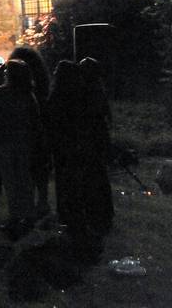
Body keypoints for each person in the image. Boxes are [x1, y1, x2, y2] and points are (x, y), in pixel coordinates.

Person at [0, 59, 42, 239]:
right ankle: (28, 213)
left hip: (5, 142)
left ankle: (15, 215)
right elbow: (35, 120)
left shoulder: (2, 93)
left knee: (10, 180)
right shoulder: (28, 94)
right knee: (24, 178)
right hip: (24, 141)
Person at [44, 60, 87, 241]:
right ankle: (74, 213)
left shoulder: (58, 95)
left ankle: (68, 214)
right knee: (73, 178)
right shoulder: (79, 95)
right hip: (73, 142)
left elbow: (50, 118)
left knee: (65, 179)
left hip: (63, 143)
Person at [9, 46, 51, 218]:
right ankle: (41, 201)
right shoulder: (41, 85)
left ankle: (30, 204)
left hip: (26, 132)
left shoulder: (22, 91)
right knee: (39, 167)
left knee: (27, 169)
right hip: (39, 131)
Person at [78, 57, 114, 237]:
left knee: (94, 173)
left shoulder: (91, 91)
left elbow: (92, 116)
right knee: (98, 173)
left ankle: (97, 210)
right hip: (97, 136)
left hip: (93, 137)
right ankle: (102, 209)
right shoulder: (97, 89)